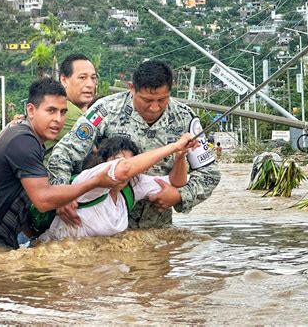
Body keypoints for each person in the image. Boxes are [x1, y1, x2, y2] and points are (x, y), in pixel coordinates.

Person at [48, 59, 221, 229]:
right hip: (102, 224)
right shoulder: (105, 110)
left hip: (158, 228)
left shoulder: (185, 117)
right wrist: (62, 194)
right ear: (131, 88)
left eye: (162, 100)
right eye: (146, 100)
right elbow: (63, 153)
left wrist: (180, 195)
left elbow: (209, 173)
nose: (154, 107)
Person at [0, 78, 117, 261]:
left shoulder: (23, 136)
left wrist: (35, 237)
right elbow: (43, 200)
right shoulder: (24, 141)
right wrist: (96, 182)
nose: (58, 119)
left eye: (62, 112)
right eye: (51, 111)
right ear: (31, 110)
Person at [39, 134, 196, 241]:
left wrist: (180, 156)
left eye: (131, 161)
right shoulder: (91, 179)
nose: (128, 167)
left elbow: (176, 182)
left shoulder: (133, 185)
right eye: (117, 160)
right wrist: (175, 146)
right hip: (60, 256)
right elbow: (124, 169)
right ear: (104, 161)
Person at [44, 53, 98, 153]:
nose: (90, 84)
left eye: (93, 78)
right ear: (64, 80)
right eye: (82, 78)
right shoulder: (68, 112)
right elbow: (96, 149)